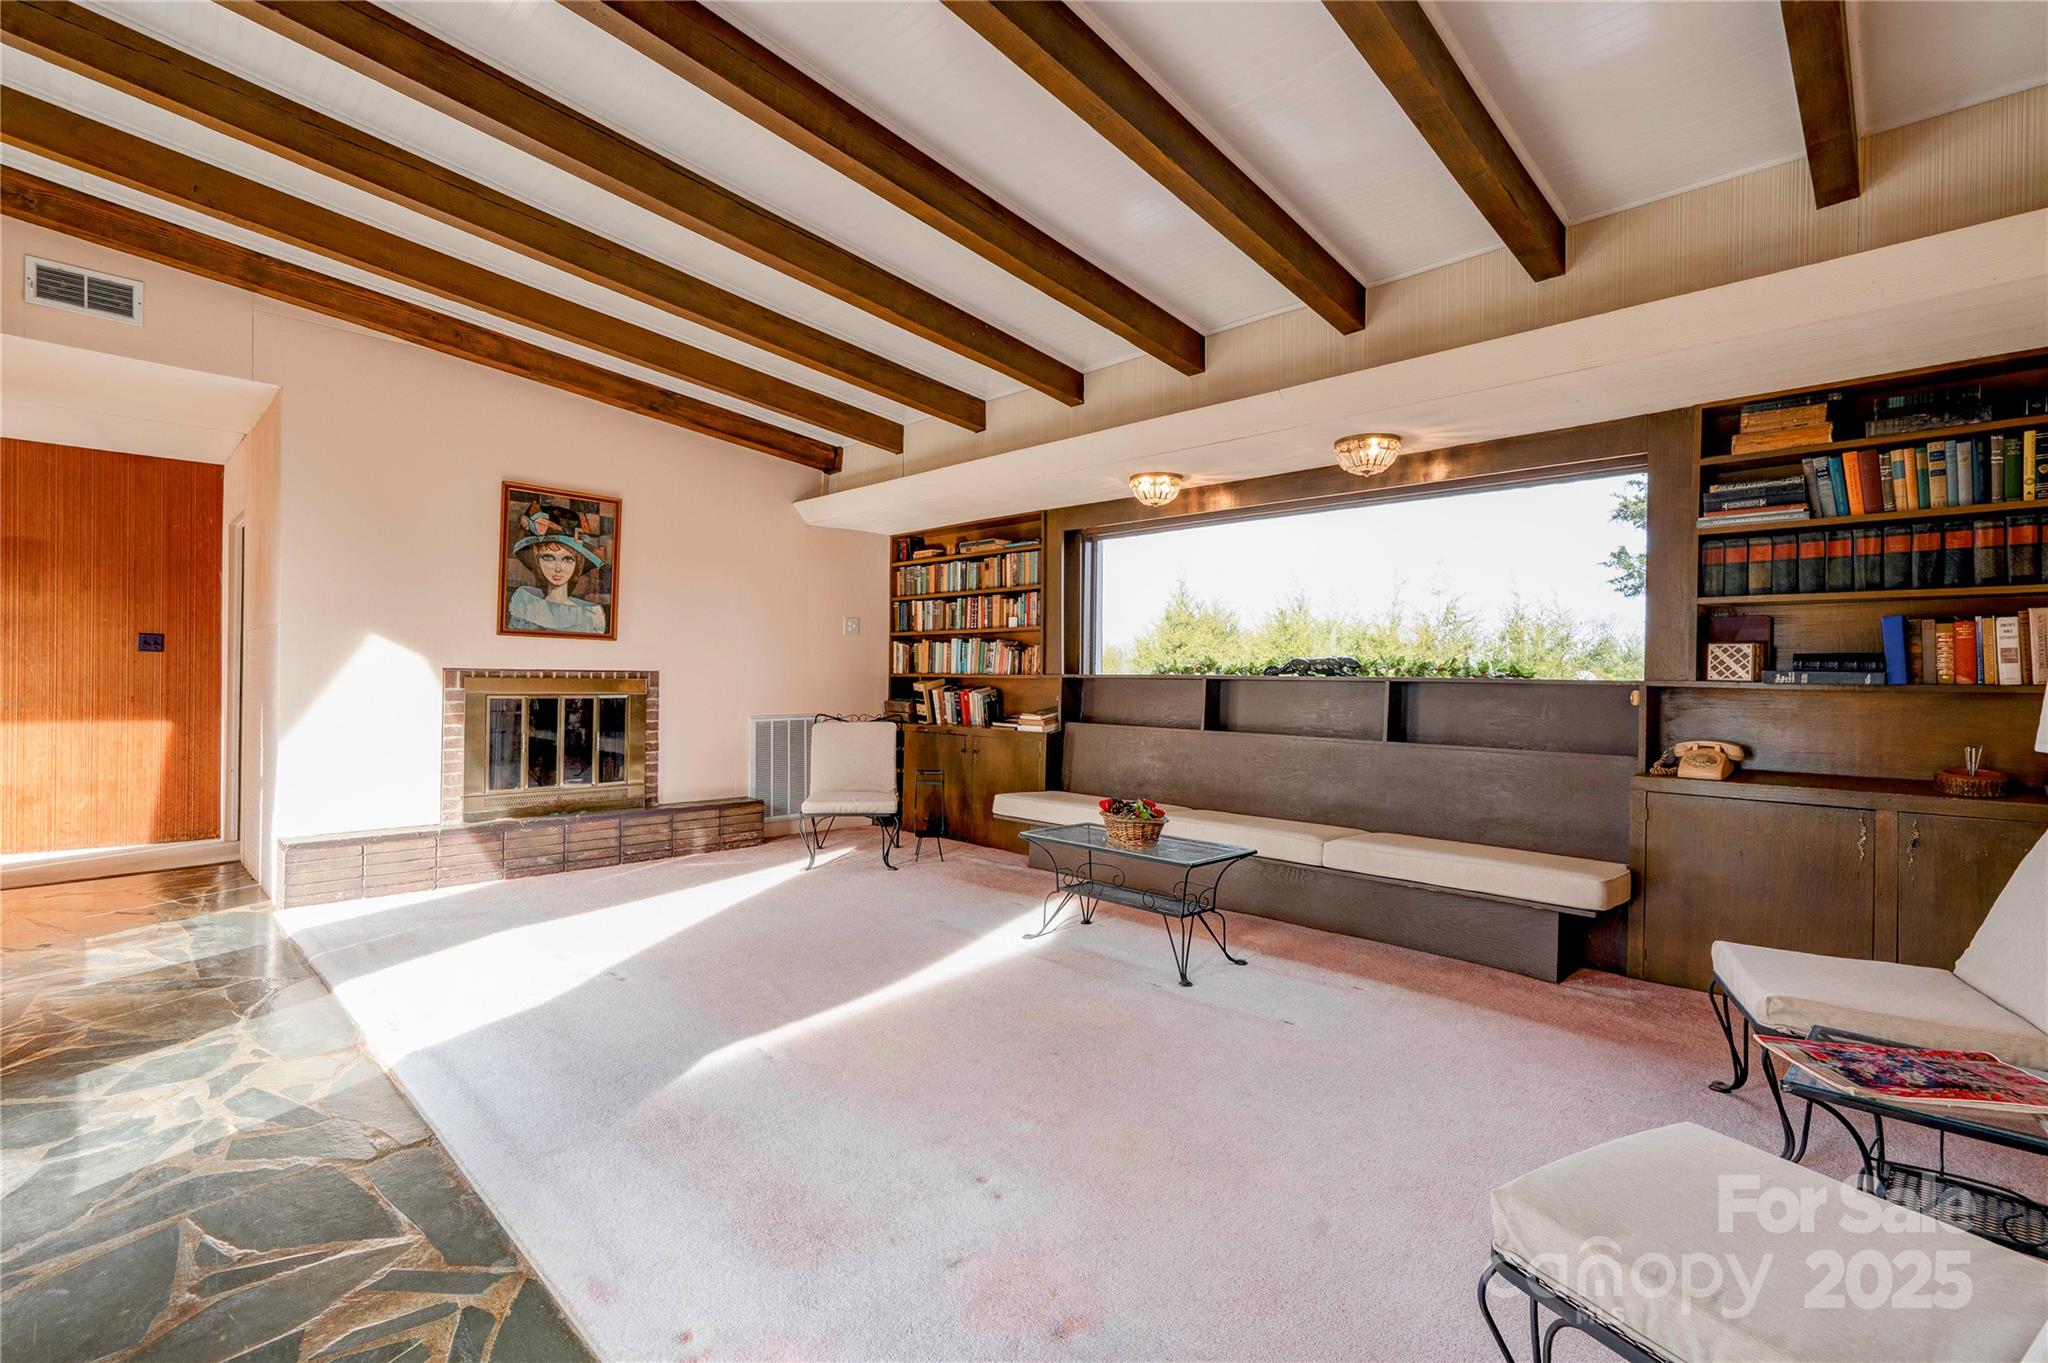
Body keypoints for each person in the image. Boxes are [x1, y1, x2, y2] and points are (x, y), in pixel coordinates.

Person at [506, 501, 608, 634]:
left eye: (567, 559)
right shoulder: (524, 607)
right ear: (536, 559)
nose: (558, 568)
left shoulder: (591, 617)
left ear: (578, 563)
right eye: (548, 557)